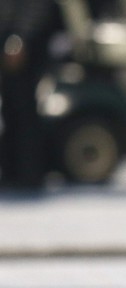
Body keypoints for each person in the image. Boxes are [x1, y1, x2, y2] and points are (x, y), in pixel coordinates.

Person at [0, 0, 61, 192]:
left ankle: (29, 173)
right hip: (10, 39)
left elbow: (37, 7)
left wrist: (21, 38)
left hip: (26, 44)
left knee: (24, 110)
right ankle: (12, 171)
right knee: (9, 109)